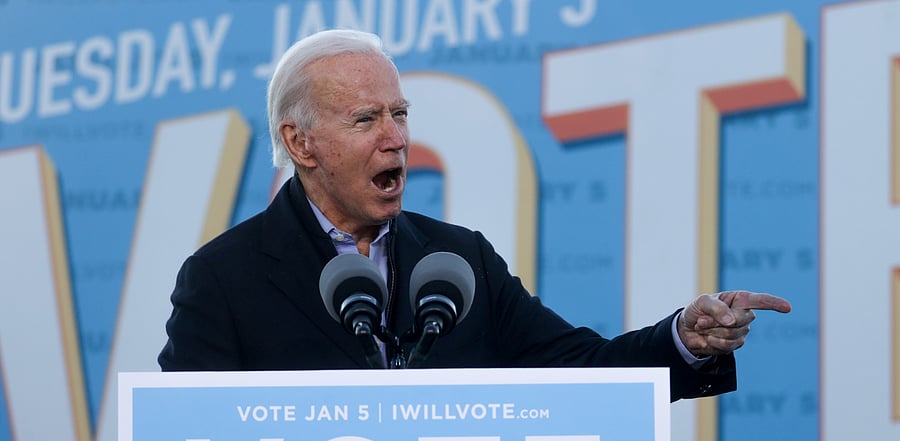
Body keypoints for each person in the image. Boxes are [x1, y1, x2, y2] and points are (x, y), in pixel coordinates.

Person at [158, 29, 792, 401]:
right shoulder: (224, 279)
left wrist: (683, 339)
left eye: (400, 114)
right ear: (300, 143)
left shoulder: (459, 261)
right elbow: (185, 429)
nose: (396, 139)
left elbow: (579, 369)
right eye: (366, 119)